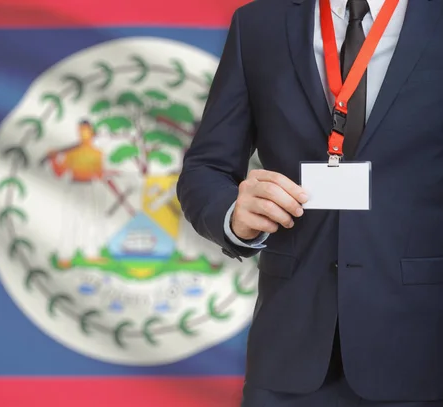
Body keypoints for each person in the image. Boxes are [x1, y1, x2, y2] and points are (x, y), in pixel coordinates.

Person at [176, 0, 443, 405]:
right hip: (289, 356)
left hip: (423, 351)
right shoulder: (259, 23)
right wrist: (232, 215)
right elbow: (205, 168)